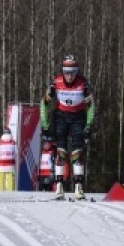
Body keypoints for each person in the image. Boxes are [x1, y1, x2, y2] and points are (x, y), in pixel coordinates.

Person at [41, 55, 96, 200]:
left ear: (77, 71)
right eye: (66, 71)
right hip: (61, 117)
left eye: (72, 71)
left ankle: (79, 187)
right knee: (61, 151)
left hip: (78, 117)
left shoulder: (83, 84)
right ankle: (59, 187)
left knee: (77, 151)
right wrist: (45, 124)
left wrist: (89, 125)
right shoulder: (56, 83)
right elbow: (44, 103)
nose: (69, 75)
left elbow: (91, 106)